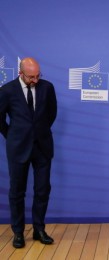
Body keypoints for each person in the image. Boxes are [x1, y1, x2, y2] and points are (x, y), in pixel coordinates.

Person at [0, 57, 57, 248]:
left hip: (42, 147)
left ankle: (39, 229)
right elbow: (0, 119)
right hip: (18, 148)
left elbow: (51, 114)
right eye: (31, 77)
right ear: (20, 73)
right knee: (17, 192)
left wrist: (38, 132)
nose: (35, 80)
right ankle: (18, 232)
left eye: (37, 76)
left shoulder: (47, 88)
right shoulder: (6, 91)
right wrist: (13, 136)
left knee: (42, 190)